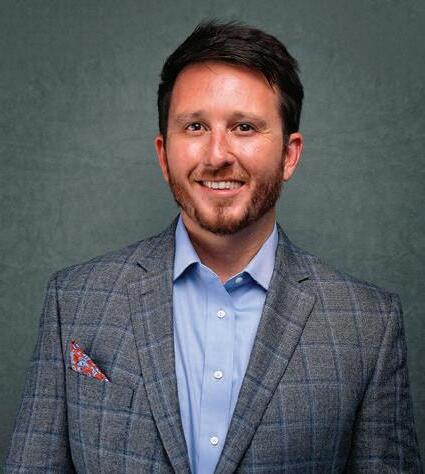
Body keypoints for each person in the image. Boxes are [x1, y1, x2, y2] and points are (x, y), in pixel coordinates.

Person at [4, 20, 422, 474]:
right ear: (164, 154)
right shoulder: (75, 301)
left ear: (289, 155)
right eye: (195, 126)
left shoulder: (368, 326)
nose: (217, 154)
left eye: (244, 127)